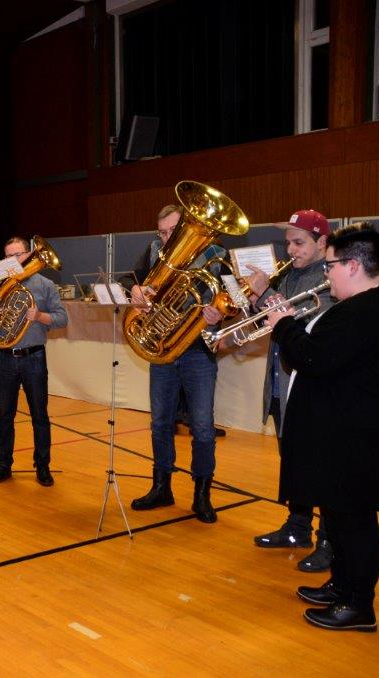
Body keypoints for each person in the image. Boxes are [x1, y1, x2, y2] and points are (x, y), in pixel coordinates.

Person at [267, 223, 379, 631]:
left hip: (361, 438)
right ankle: (343, 586)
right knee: (340, 516)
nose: (326, 274)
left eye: (330, 266)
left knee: (355, 522)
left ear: (352, 265)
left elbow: (312, 358)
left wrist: (284, 323)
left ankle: (358, 605)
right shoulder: (366, 306)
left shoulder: (363, 312)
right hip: (347, 433)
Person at [246, 210, 335, 572]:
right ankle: (298, 527)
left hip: (309, 388)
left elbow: (305, 323)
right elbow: (271, 321)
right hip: (281, 382)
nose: (291, 249)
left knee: (322, 468)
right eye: (288, 243)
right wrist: (251, 299)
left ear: (322, 242)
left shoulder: (329, 279)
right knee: (294, 461)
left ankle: (329, 540)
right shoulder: (289, 275)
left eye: (299, 243)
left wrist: (265, 293)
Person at [129, 204, 227, 522]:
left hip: (197, 350)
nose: (167, 238)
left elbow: (233, 299)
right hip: (162, 348)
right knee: (160, 423)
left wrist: (220, 312)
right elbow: (129, 279)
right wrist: (136, 290)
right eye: (162, 232)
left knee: (202, 427)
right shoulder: (153, 251)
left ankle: (202, 495)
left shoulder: (215, 251)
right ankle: (162, 487)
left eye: (173, 231)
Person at [0, 237, 68, 487]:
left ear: (29, 254)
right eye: (8, 256)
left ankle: (43, 466)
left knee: (40, 415)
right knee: (5, 415)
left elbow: (62, 318)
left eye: (18, 254)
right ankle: (4, 464)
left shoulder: (45, 284)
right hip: (5, 357)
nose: (14, 260)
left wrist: (39, 316)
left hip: (34, 357)